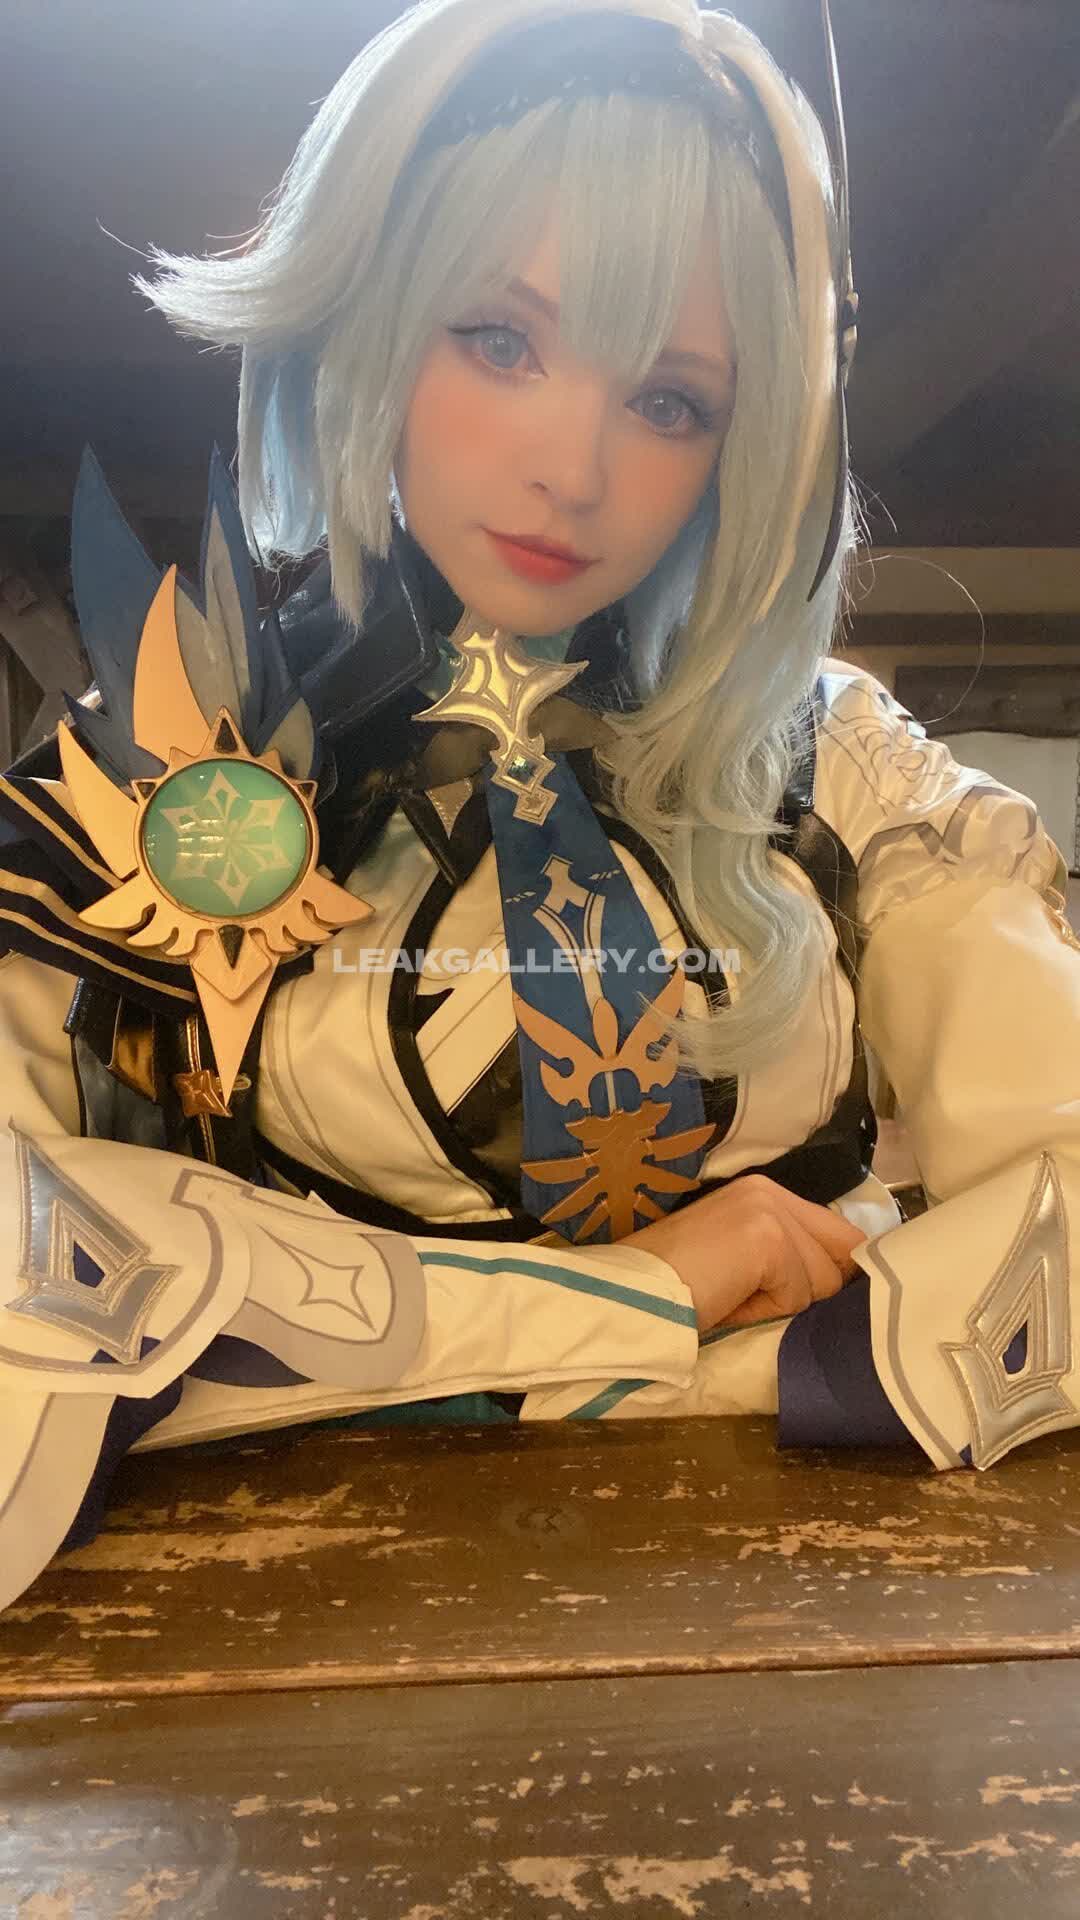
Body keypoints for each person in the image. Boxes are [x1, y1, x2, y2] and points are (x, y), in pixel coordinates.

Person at [2, 0, 1078, 1614]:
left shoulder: (851, 768)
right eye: (500, 341)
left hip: (824, 1600)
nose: (573, 471)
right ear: (369, 314)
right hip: (301, 1630)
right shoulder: (153, 771)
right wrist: (638, 1304)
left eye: (671, 401)